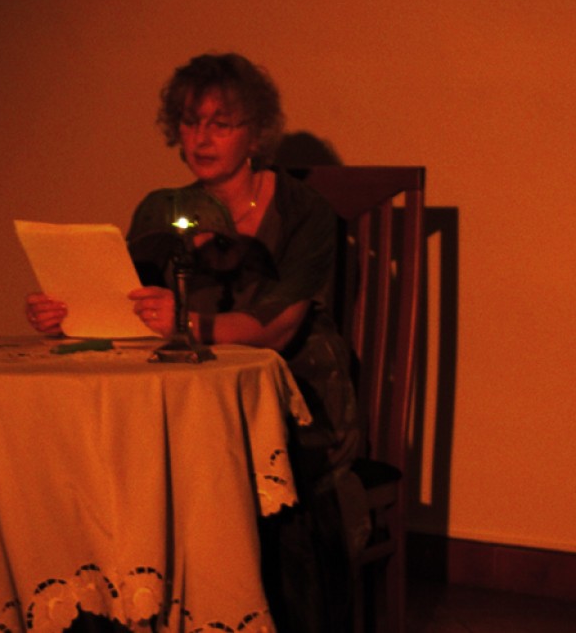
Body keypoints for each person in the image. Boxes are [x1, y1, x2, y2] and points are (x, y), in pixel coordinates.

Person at [27, 53, 364, 633]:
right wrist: (66, 313)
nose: (201, 138)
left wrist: (189, 322)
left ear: (255, 133)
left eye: (220, 124)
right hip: (191, 398)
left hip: (298, 397)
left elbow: (278, 328)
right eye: (190, 122)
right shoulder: (164, 210)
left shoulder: (301, 211)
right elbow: (126, 307)